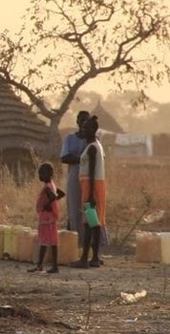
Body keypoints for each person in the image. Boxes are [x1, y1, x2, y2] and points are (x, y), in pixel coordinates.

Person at [73, 115, 107, 268]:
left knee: (89, 222)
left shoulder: (92, 147)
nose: (83, 130)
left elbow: (92, 172)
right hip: (93, 185)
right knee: (95, 222)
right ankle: (94, 258)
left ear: (94, 130)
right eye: (83, 127)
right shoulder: (94, 145)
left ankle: (85, 258)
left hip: (91, 185)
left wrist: (91, 195)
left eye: (86, 128)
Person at [29, 163, 66, 274]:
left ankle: (40, 265)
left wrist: (48, 204)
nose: (39, 175)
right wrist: (52, 202)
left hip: (46, 218)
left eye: (42, 173)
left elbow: (54, 196)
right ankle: (54, 266)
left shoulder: (47, 187)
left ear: (49, 174)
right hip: (51, 217)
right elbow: (61, 194)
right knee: (53, 241)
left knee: (44, 241)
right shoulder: (52, 185)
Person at [60, 110, 90, 243]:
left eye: (86, 120)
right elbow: (65, 157)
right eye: (81, 119)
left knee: (88, 208)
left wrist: (76, 158)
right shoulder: (70, 138)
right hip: (74, 175)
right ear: (77, 121)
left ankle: (88, 239)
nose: (83, 123)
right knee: (74, 206)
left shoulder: (93, 139)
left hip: (89, 177)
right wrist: (83, 158)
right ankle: (74, 237)